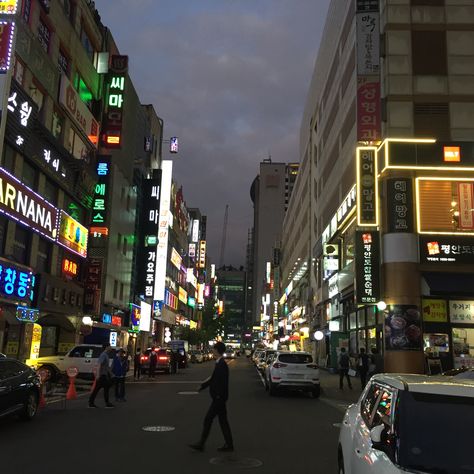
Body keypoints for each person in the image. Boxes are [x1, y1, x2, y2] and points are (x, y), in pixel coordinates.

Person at [189, 342, 234, 452]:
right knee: (223, 421)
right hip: (220, 398)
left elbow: (221, 382)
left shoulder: (222, 365)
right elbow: (213, 379)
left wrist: (218, 395)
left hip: (219, 398)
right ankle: (229, 444)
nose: (212, 351)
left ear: (217, 351)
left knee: (208, 419)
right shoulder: (220, 363)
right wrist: (202, 386)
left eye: (214, 349)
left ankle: (201, 444)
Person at [89, 343, 114, 408]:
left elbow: (107, 367)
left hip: (104, 375)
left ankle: (91, 402)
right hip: (102, 375)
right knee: (104, 388)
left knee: (100, 389)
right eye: (110, 346)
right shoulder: (103, 355)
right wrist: (97, 375)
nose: (111, 347)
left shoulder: (106, 355)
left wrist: (111, 374)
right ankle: (106, 403)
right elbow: (99, 364)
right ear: (106, 347)